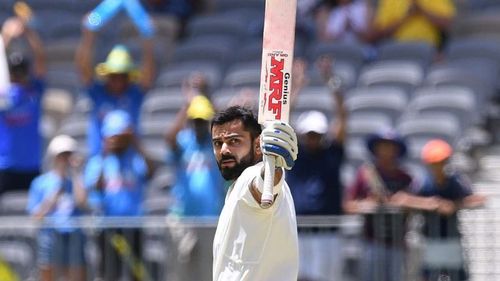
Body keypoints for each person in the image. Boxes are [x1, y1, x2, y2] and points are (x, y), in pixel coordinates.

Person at [211, 106, 299, 281]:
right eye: (217, 143)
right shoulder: (235, 188)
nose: (224, 150)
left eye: (234, 141)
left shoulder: (252, 176)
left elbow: (263, 184)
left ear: (258, 145)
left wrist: (274, 165)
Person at [344, 129, 436, 281]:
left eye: (390, 147)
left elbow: (421, 203)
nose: (387, 151)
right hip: (372, 242)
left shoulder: (405, 177)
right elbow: (348, 205)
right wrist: (369, 205)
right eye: (383, 146)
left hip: (398, 244)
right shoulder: (365, 174)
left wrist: (404, 201)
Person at [286, 57, 347, 280]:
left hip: (328, 233)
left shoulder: (332, 153)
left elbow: (342, 116)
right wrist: (297, 86)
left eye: (317, 134)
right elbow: (283, 121)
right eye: (309, 134)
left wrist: (331, 81)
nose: (313, 138)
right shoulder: (295, 155)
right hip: (299, 232)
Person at [84, 110, 154, 281]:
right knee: (110, 274)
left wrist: (136, 142)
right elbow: (96, 188)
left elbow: (151, 171)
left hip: (134, 226)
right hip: (108, 229)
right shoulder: (97, 161)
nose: (117, 140)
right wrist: (105, 153)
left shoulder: (135, 159)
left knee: (136, 273)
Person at [75, 19, 155, 156]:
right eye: (113, 75)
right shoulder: (98, 92)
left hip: (129, 161)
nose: (117, 80)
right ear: (107, 75)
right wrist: (88, 36)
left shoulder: (134, 94)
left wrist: (147, 39)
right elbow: (82, 68)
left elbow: (148, 74)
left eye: (122, 76)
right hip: (100, 159)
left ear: (128, 77)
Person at [416, 139, 485, 281]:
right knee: (431, 276)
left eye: (442, 162)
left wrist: (454, 205)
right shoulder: (424, 183)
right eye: (434, 163)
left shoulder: (456, 181)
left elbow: (477, 199)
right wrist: (431, 204)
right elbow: (406, 199)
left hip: (452, 239)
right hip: (430, 241)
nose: (439, 166)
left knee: (456, 276)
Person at [27, 135, 88, 281]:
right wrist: (52, 199)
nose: (66, 160)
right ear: (54, 157)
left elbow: (82, 202)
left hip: (73, 233)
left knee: (75, 270)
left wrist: (75, 174)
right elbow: (36, 216)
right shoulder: (40, 183)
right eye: (62, 155)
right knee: (48, 270)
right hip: (49, 235)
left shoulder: (77, 181)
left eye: (69, 155)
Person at [0, 16, 46, 193]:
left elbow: (40, 58)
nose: (18, 75)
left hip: (31, 165)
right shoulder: (2, 93)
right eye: (14, 71)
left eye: (22, 71)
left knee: (34, 216)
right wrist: (5, 36)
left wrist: (29, 33)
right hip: (4, 165)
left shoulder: (34, 90)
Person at [166, 94, 225, 217]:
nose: (199, 125)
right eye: (196, 121)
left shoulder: (216, 143)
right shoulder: (184, 140)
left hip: (211, 214)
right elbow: (169, 139)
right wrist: (186, 107)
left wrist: (210, 101)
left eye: (202, 121)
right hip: (184, 213)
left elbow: (228, 130)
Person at [369, 0, 456, 48]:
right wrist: (407, 17)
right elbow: (380, 31)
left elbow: (447, 23)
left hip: (429, 49)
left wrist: (421, 10)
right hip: (399, 48)